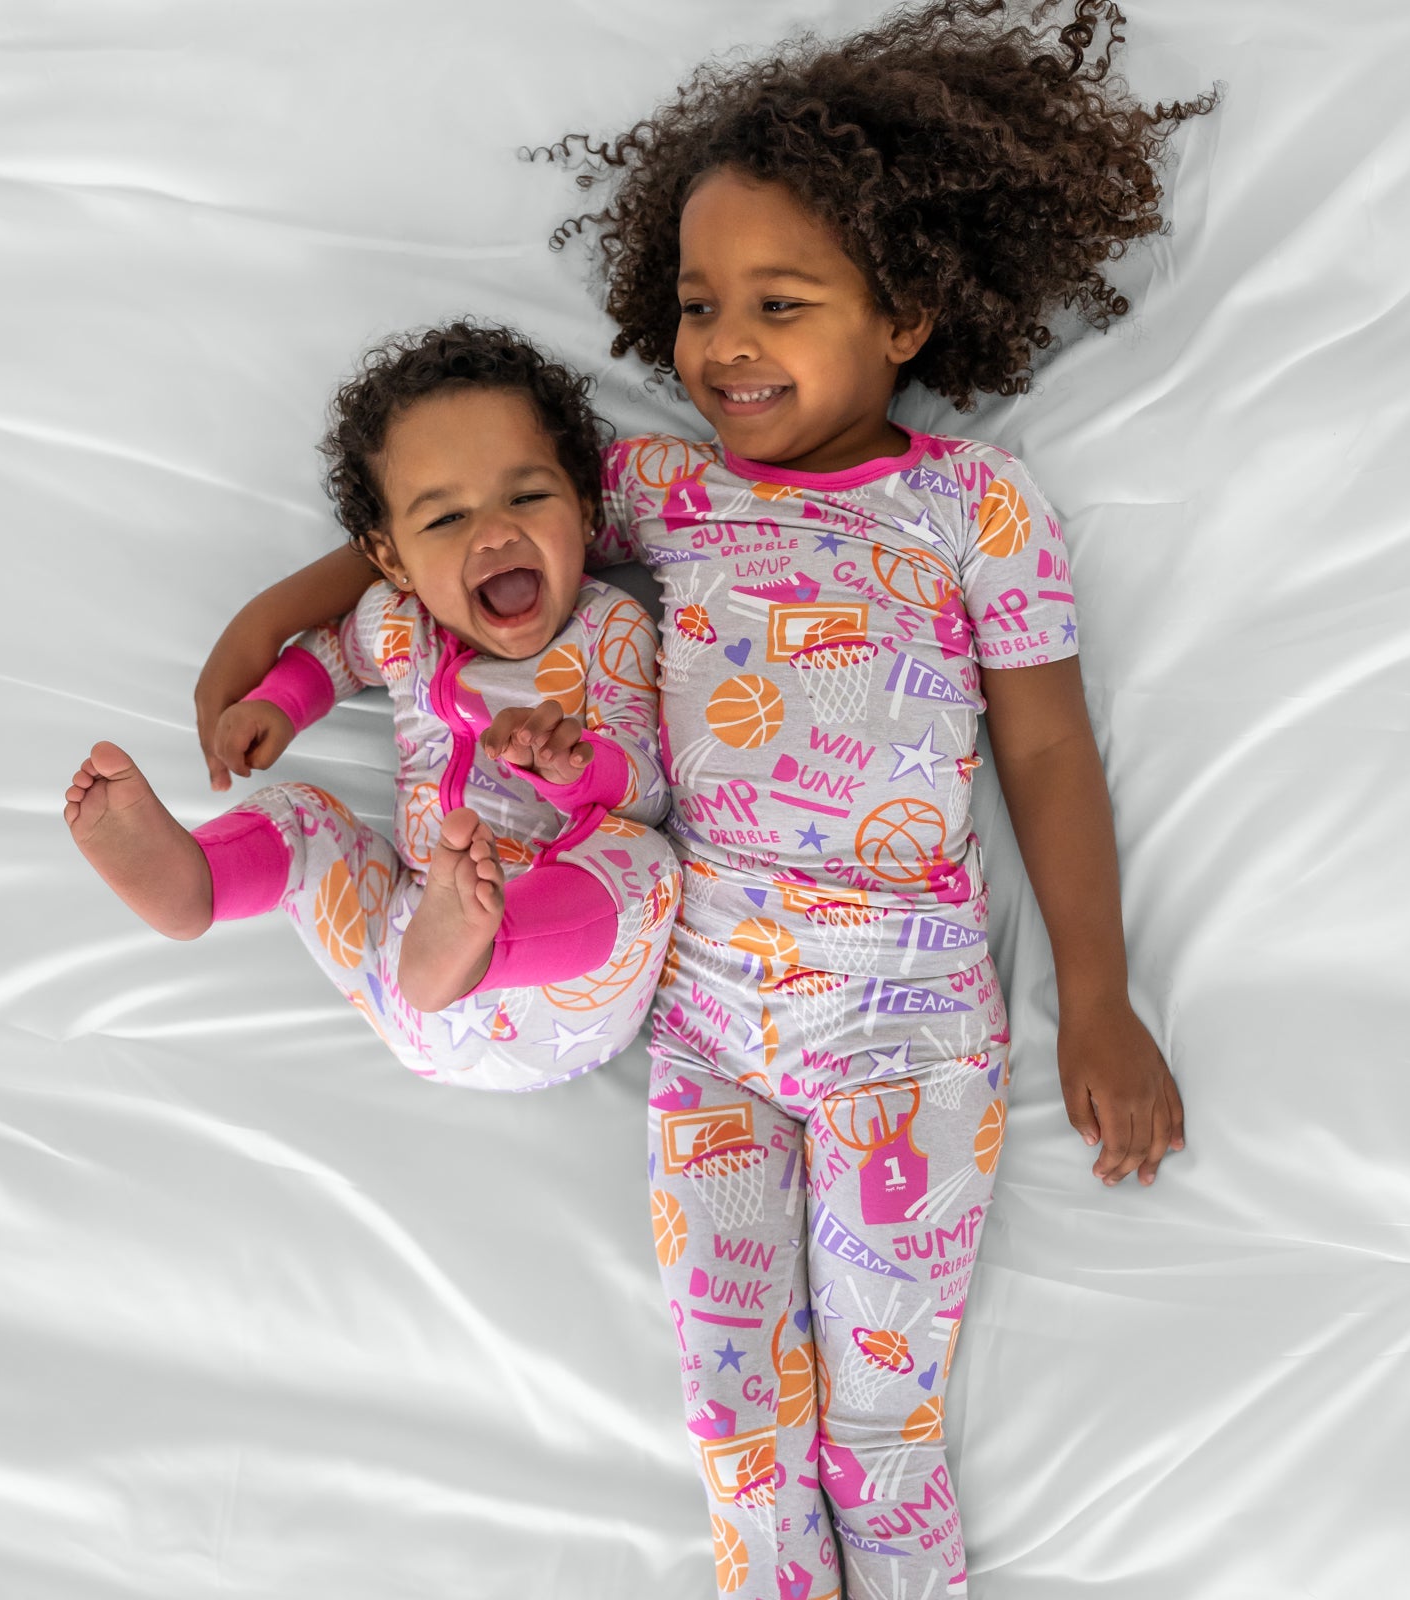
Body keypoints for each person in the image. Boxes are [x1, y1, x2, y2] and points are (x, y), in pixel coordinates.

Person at [190, 3, 1212, 1590]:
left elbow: (1048, 754)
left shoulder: (977, 508)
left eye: (779, 303)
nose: (721, 344)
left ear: (909, 316)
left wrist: (1098, 997)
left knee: (878, 1434)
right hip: (709, 1024)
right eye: (694, 302)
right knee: (743, 1441)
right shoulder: (655, 493)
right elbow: (454, 509)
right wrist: (273, 638)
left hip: (905, 1029)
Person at [68, 323, 678, 1092]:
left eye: (527, 496)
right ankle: (203, 881)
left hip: (563, 989)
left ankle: (488, 944)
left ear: (586, 511)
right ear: (391, 557)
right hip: (412, 960)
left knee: (645, 863)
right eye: (446, 518)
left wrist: (576, 768)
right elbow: (332, 658)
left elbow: (649, 794)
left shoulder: (608, 627)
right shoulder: (395, 620)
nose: (494, 533)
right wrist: (280, 706)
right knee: (298, 813)